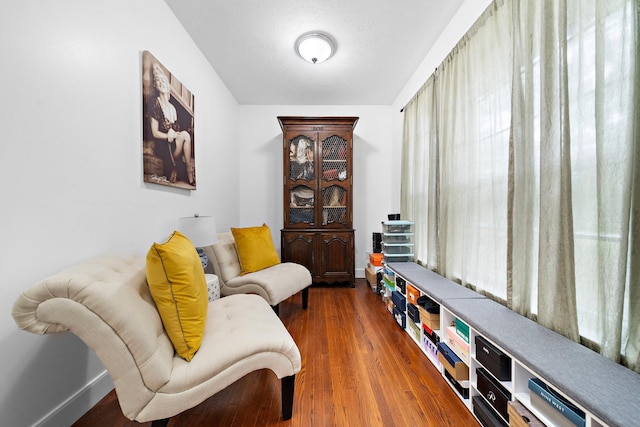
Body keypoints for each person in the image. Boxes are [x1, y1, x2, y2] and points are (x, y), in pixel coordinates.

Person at [149, 63, 194, 185]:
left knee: (185, 135)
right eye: (158, 81)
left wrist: (175, 134)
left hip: (174, 144)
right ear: (155, 85)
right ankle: (187, 172)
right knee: (185, 135)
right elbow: (155, 132)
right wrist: (169, 135)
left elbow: (175, 130)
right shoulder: (155, 104)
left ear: (168, 85)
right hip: (163, 146)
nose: (161, 82)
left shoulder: (172, 108)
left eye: (163, 80)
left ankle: (188, 170)